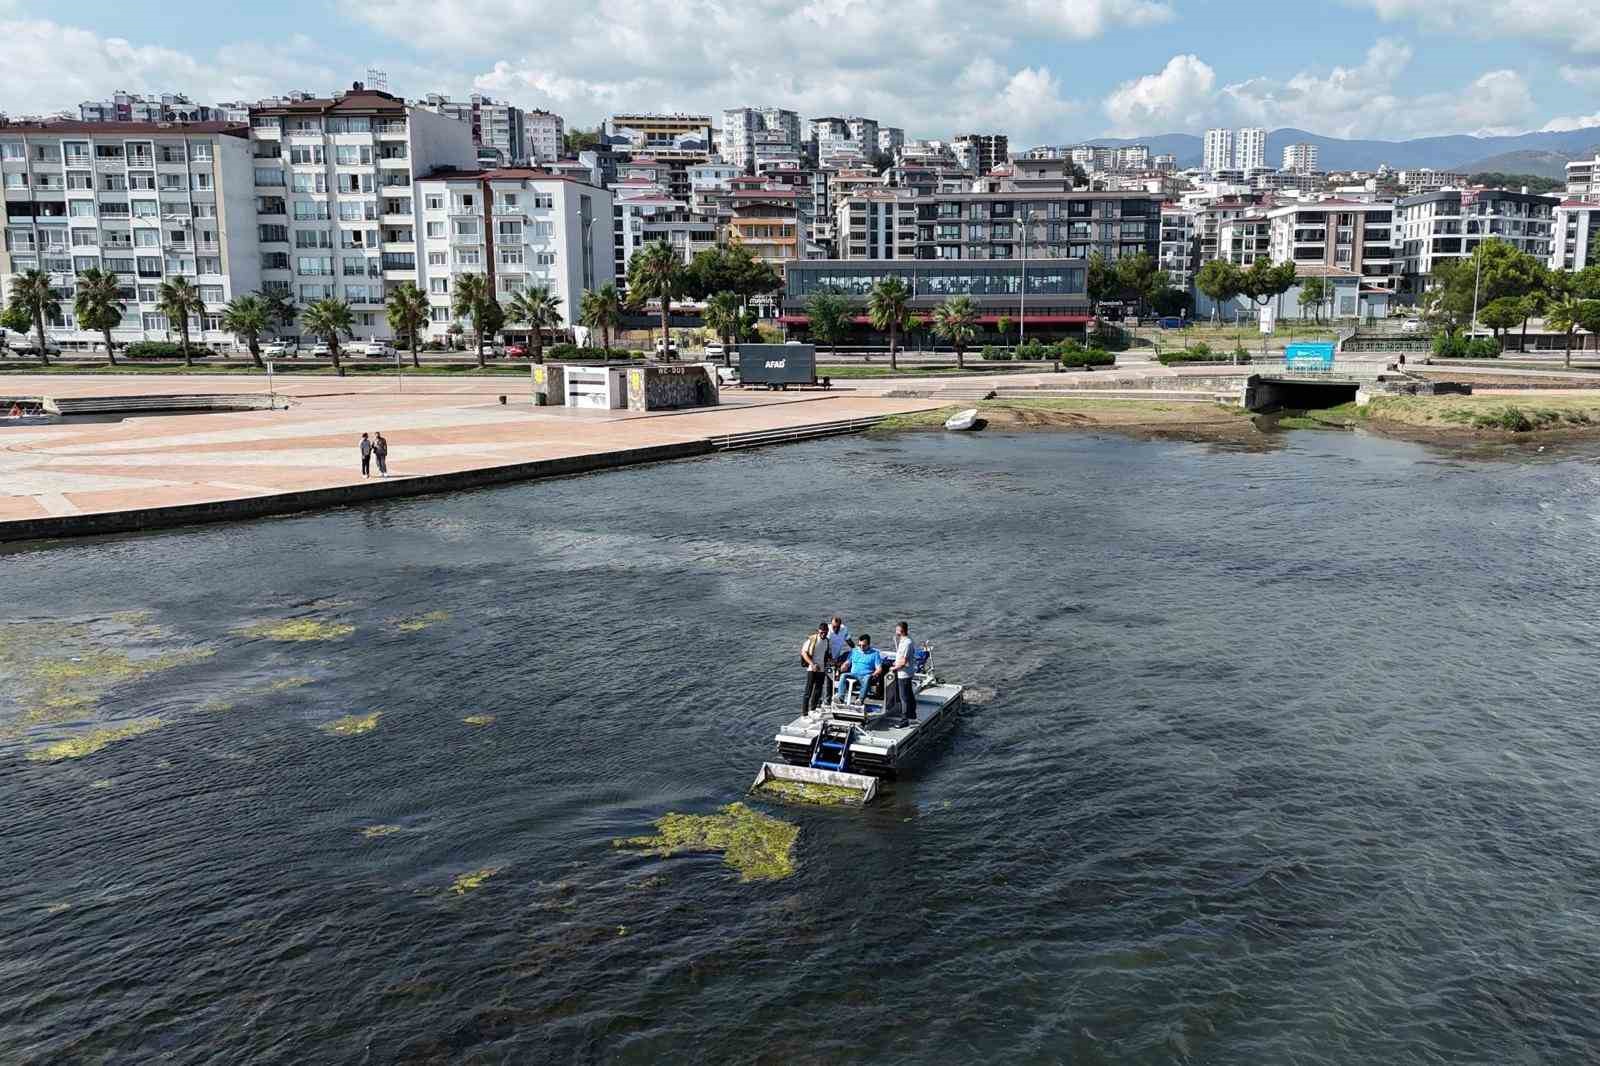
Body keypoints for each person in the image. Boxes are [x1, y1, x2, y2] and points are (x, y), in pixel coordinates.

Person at [834, 633, 884, 705]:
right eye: (859, 645)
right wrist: (844, 666)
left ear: (868, 644)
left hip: (865, 676)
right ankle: (840, 698)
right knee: (843, 675)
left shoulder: (875, 654)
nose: (861, 647)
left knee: (867, 677)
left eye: (864, 646)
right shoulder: (854, 651)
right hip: (853, 674)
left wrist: (874, 674)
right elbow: (847, 662)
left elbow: (879, 669)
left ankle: (860, 700)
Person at [890, 621, 917, 724]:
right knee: (909, 694)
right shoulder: (903, 641)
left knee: (904, 697)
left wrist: (894, 668)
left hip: (904, 673)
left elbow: (904, 661)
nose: (895, 631)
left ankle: (904, 719)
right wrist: (895, 662)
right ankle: (912, 714)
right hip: (905, 672)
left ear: (901, 630)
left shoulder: (906, 643)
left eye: (897, 629)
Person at [800, 622, 829, 714]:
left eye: (825, 632)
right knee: (808, 691)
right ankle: (804, 713)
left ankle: (813, 709)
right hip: (811, 669)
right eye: (821, 632)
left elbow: (826, 654)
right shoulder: (812, 640)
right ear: (818, 631)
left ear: (828, 631)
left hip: (821, 669)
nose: (823, 634)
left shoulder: (827, 641)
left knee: (818, 690)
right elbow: (803, 653)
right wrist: (812, 664)